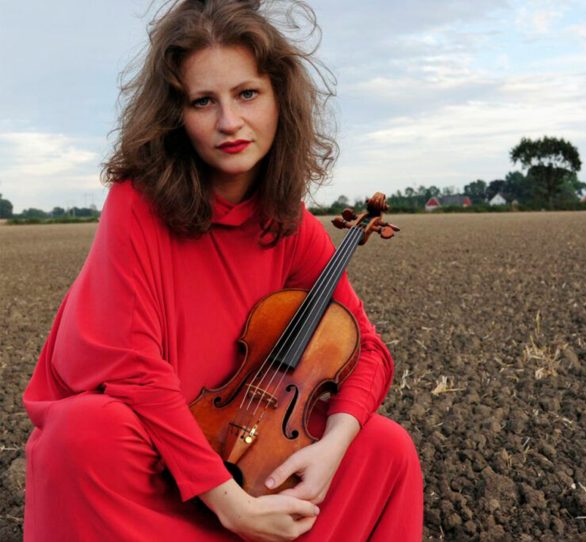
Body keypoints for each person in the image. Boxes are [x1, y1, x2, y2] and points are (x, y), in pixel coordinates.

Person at [22, 1, 423, 540]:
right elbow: (134, 368)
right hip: (159, 463)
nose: (229, 122)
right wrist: (229, 503)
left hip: (249, 452)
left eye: (247, 94)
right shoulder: (135, 203)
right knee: (85, 432)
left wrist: (333, 445)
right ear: (175, 115)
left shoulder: (290, 225)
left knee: (384, 445)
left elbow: (367, 350)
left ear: (281, 99)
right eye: (203, 101)